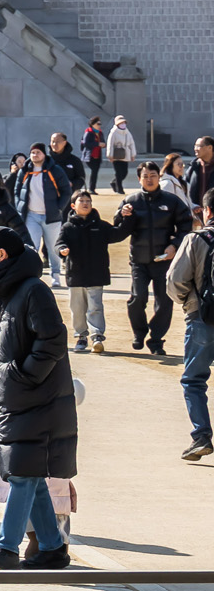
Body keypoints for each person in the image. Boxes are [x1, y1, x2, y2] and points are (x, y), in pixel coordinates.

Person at [0, 225, 77, 570]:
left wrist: (23, 376)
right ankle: (52, 546)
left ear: (1, 254)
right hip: (17, 397)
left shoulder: (33, 291)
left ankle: (6, 548)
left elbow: (52, 340)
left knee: (21, 474)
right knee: (28, 475)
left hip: (36, 398)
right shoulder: (4, 292)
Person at [117, 160, 193, 356]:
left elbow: (186, 226)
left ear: (159, 177)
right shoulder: (131, 201)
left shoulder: (171, 201)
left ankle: (156, 340)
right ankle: (139, 333)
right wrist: (122, 215)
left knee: (164, 302)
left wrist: (174, 245)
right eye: (145, 176)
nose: (149, 179)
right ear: (139, 179)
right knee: (137, 298)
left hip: (164, 260)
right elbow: (118, 228)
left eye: (153, 175)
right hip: (139, 261)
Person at [167, 188, 214, 462]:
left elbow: (175, 281)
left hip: (202, 318)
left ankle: (201, 436)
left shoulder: (196, 239)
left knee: (194, 380)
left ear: (206, 211)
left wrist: (189, 304)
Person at [56, 190, 127, 353]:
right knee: (77, 308)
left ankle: (97, 336)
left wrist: (126, 218)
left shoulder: (100, 225)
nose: (86, 203)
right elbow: (59, 243)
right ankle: (81, 336)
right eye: (82, 201)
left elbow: (117, 234)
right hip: (76, 275)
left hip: (96, 273)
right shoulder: (67, 227)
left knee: (95, 306)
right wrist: (62, 250)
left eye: (88, 200)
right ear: (73, 206)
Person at [14, 144, 72, 290]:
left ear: (44, 154)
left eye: (38, 152)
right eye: (32, 152)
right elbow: (17, 190)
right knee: (31, 247)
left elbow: (66, 190)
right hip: (31, 216)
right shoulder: (25, 171)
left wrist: (59, 208)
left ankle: (56, 276)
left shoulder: (55, 170)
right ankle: (31, 277)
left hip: (51, 217)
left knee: (53, 248)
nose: (34, 155)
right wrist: (20, 205)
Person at [106, 116, 138, 193]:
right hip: (116, 155)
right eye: (121, 123)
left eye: (123, 123)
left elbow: (131, 144)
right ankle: (120, 189)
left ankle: (114, 183)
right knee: (118, 172)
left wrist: (133, 154)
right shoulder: (113, 132)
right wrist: (110, 155)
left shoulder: (127, 132)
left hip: (125, 155)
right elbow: (110, 144)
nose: (123, 124)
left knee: (124, 172)